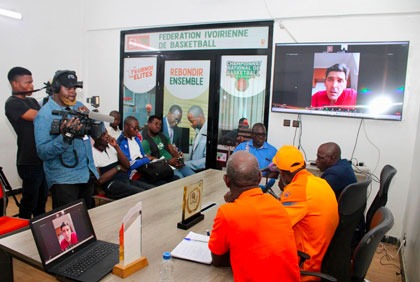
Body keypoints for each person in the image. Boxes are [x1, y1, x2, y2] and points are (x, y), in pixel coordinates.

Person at [208, 151, 300, 281]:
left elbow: (217, 259)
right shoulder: (277, 204)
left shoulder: (227, 213)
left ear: (227, 181)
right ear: (259, 177)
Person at [34, 70, 98, 209]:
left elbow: (99, 133)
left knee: (87, 221)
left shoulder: (79, 106)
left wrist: (92, 118)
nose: (73, 92)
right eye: (68, 88)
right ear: (56, 88)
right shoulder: (44, 115)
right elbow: (43, 153)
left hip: (86, 175)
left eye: (74, 88)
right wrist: (65, 137)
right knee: (68, 225)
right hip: (64, 180)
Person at [272, 145, 339, 278]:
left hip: (305, 262)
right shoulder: (319, 182)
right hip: (322, 253)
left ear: (283, 173)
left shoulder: (297, 190)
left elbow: (275, 226)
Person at [5, 67, 48, 219]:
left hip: (42, 157)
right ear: (15, 84)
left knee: (42, 200)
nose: (31, 86)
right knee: (30, 201)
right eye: (27, 83)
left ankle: (40, 229)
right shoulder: (12, 103)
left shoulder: (31, 101)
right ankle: (21, 230)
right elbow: (38, 116)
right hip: (28, 160)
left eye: (32, 82)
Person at [92, 129, 154, 199]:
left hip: (125, 180)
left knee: (153, 189)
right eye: (103, 134)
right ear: (95, 137)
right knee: (142, 193)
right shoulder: (92, 154)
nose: (107, 136)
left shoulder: (111, 147)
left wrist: (116, 147)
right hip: (112, 185)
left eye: (107, 133)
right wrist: (117, 168)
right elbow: (100, 181)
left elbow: (127, 165)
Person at [117, 116, 178, 185]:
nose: (137, 131)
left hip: (144, 168)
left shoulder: (136, 138)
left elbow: (143, 155)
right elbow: (129, 164)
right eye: (135, 128)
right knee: (162, 183)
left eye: (138, 128)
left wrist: (151, 159)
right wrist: (147, 159)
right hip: (134, 174)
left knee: (174, 178)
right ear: (126, 127)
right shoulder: (121, 142)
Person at [185, 105, 207, 172]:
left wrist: (186, 164)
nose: (191, 125)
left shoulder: (208, 132)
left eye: (192, 121)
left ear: (199, 117)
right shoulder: (199, 131)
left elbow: (206, 160)